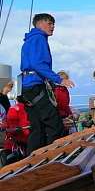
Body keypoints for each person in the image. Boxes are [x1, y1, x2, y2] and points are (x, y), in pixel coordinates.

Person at [20, 13, 74, 154]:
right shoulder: (39, 38)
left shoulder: (30, 40)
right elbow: (37, 63)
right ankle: (54, 158)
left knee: (37, 128)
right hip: (35, 85)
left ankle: (30, 161)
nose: (53, 26)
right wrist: (59, 79)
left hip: (27, 88)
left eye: (53, 23)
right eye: (49, 23)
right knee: (55, 125)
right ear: (40, 24)